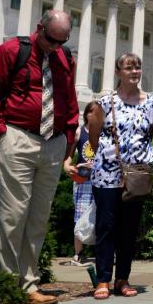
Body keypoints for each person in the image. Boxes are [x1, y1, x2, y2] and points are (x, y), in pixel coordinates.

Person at [0, 10, 78, 304]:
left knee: (38, 218)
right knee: (12, 215)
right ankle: (7, 284)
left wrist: (68, 139)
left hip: (52, 142)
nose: (54, 47)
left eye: (62, 41)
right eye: (51, 40)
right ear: (39, 28)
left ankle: (30, 283)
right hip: (18, 136)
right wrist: (1, 133)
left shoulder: (63, 58)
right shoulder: (10, 51)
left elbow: (69, 100)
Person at [86, 53, 153, 300]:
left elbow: (149, 133)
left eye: (137, 67)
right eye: (129, 68)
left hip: (136, 175)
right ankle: (103, 279)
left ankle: (123, 279)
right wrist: (108, 157)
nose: (134, 72)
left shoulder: (149, 102)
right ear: (118, 72)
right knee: (106, 226)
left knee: (129, 230)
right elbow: (94, 135)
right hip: (107, 174)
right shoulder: (105, 102)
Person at [61, 102, 99, 267]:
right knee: (80, 214)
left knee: (101, 215)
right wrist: (67, 166)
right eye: (92, 112)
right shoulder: (79, 132)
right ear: (86, 115)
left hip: (100, 178)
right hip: (82, 180)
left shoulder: (104, 132)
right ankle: (78, 253)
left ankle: (103, 251)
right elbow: (68, 156)